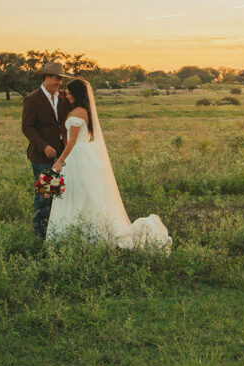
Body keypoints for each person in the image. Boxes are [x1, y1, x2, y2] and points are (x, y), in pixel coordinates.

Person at [46, 78, 172, 252]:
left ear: (76, 94)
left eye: (68, 92)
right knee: (84, 195)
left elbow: (72, 142)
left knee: (79, 195)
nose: (66, 95)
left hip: (78, 156)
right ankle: (84, 232)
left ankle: (79, 233)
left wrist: (59, 161)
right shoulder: (84, 111)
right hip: (83, 156)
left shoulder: (77, 112)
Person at [21, 61, 71, 239]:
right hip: (42, 156)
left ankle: (57, 232)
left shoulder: (65, 96)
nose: (59, 82)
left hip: (63, 153)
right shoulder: (32, 99)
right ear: (47, 77)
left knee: (62, 194)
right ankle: (41, 236)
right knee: (45, 196)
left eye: (61, 79)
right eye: (57, 79)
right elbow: (27, 127)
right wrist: (44, 145)